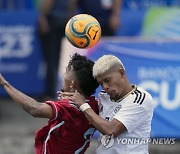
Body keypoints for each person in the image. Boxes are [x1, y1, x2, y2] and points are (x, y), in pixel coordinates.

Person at [0, 53, 99, 154]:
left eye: (66, 73)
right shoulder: (95, 104)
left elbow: (35, 109)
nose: (63, 77)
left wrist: (4, 83)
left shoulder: (69, 107)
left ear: (72, 84)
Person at [60, 55, 154, 154]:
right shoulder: (104, 96)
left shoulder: (140, 99)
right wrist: (68, 101)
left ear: (121, 73)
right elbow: (89, 113)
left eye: (107, 80)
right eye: (101, 83)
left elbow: (110, 131)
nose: (105, 87)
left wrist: (82, 105)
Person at [38, 0, 76, 99]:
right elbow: (72, 3)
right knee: (64, 60)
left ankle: (52, 94)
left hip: (52, 21)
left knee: (52, 60)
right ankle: (63, 93)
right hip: (65, 21)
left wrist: (42, 18)